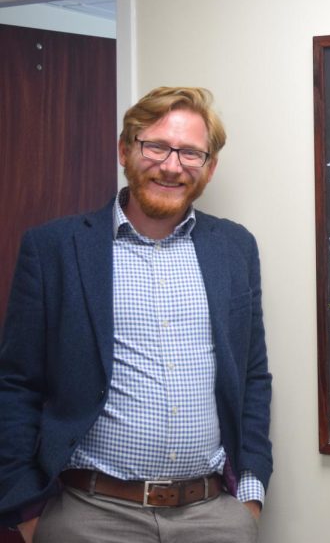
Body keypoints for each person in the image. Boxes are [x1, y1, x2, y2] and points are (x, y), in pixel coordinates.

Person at [0, 87, 272, 543]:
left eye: (190, 152)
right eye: (156, 146)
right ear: (125, 149)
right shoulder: (55, 249)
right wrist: (27, 509)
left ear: (209, 167)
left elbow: (253, 376)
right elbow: (16, 383)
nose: (171, 165)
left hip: (212, 518)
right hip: (89, 515)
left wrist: (249, 496)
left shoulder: (235, 248)